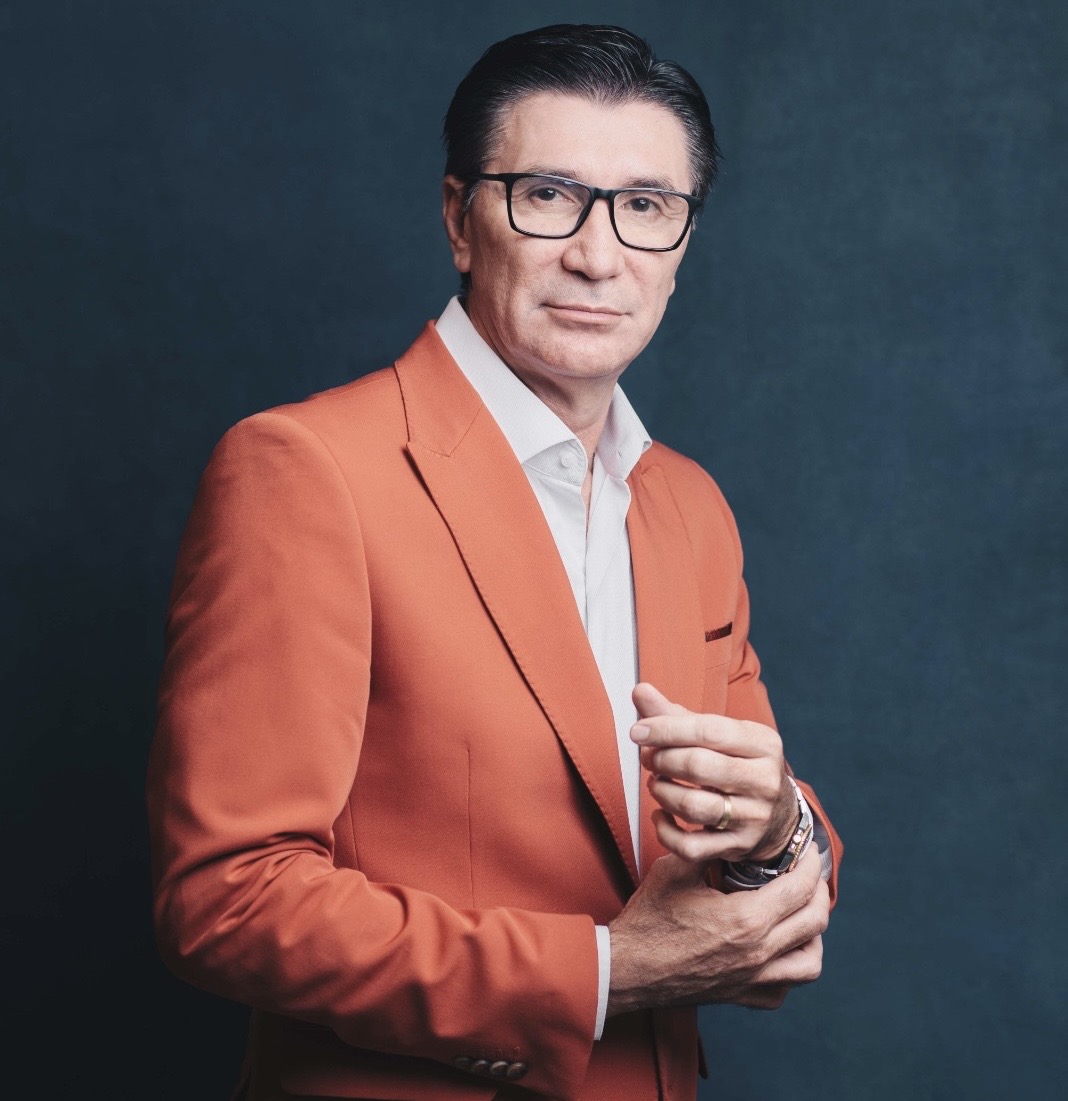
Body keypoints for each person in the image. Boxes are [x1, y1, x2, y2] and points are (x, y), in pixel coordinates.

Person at [148, 23, 843, 1101]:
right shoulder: (305, 470)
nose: (599, 255)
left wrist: (776, 832)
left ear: (682, 244)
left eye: (645, 206)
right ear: (458, 219)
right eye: (547, 195)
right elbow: (226, 900)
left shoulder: (690, 506)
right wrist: (608, 970)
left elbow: (787, 878)